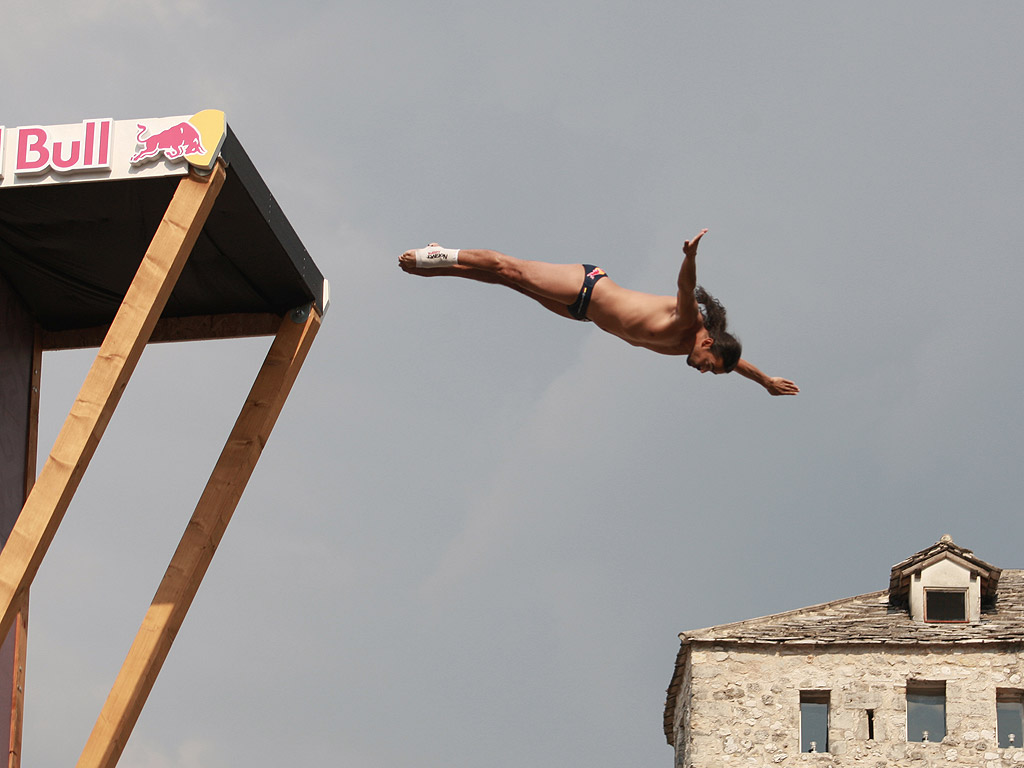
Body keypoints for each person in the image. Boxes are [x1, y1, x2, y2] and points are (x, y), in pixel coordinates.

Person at [399, 229, 799, 395]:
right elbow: (684, 286)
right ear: (707, 342)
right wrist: (690, 256)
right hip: (586, 286)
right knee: (509, 268)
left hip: (582, 313)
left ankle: (443, 267)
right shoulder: (687, 321)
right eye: (710, 365)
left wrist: (765, 382)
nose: (703, 370)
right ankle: (442, 252)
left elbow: (737, 362)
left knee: (510, 284)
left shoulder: (693, 349)